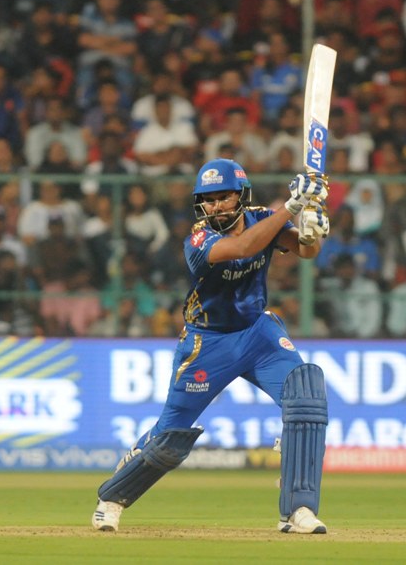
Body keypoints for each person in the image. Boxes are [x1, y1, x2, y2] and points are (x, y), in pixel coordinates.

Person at [91, 158, 330, 535]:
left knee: (306, 397)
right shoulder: (198, 240)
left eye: (224, 197)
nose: (216, 206)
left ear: (241, 196)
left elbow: (306, 252)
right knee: (170, 435)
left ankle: (298, 509)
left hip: (258, 334)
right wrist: (293, 206)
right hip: (208, 341)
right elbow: (244, 246)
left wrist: (312, 230)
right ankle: (112, 498)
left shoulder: (262, 217)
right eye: (209, 199)